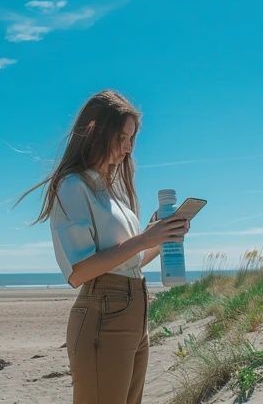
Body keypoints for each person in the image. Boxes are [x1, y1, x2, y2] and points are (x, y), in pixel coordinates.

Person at [12, 89, 189, 404]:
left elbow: (129, 261)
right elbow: (80, 271)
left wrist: (162, 238)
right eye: (122, 136)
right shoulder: (72, 186)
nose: (127, 147)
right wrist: (145, 238)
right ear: (94, 130)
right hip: (104, 315)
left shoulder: (114, 191)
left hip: (135, 312)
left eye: (132, 139)